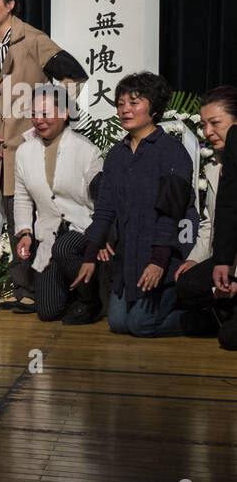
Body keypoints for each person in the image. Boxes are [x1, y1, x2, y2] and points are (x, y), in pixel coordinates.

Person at [0, 0, 84, 314]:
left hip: (33, 147)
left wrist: (47, 122)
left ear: (10, 5)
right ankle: (24, 290)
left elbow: (74, 76)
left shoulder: (33, 39)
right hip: (0, 152)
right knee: (15, 221)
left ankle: (49, 289)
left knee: (41, 220)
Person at [72, 73, 198, 337]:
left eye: (134, 102)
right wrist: (90, 255)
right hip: (129, 259)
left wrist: (159, 261)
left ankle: (200, 318)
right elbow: (104, 210)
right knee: (118, 324)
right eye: (120, 104)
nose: (124, 109)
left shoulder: (172, 152)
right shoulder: (117, 155)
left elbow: (171, 216)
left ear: (153, 108)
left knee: (140, 325)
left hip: (162, 256)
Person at [12, 85, 104, 324]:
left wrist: (102, 238)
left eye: (45, 113)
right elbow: (22, 197)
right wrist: (25, 233)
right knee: (48, 312)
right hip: (50, 235)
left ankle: (91, 300)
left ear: (63, 113)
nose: (38, 120)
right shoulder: (24, 152)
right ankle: (72, 291)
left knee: (65, 247)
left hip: (84, 229)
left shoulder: (87, 151)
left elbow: (103, 202)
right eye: (34, 114)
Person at [176, 86, 237, 339]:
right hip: (224, 260)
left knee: (229, 340)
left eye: (215, 123)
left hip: (233, 262)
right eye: (203, 125)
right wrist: (195, 258)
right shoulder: (213, 166)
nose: (208, 132)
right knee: (187, 282)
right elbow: (209, 221)